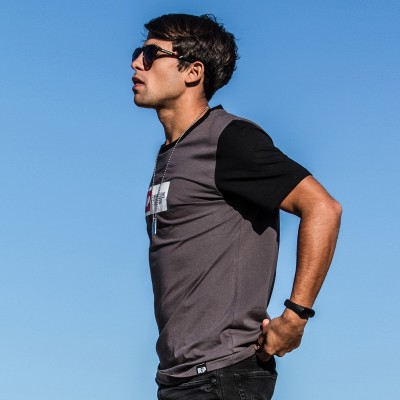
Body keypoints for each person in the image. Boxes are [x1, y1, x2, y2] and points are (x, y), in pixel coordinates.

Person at [131, 13, 342, 400]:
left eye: (150, 54)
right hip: (181, 379)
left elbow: (323, 208)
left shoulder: (229, 139)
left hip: (221, 376)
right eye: (137, 52)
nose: (136, 63)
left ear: (193, 71)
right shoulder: (172, 153)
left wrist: (296, 315)